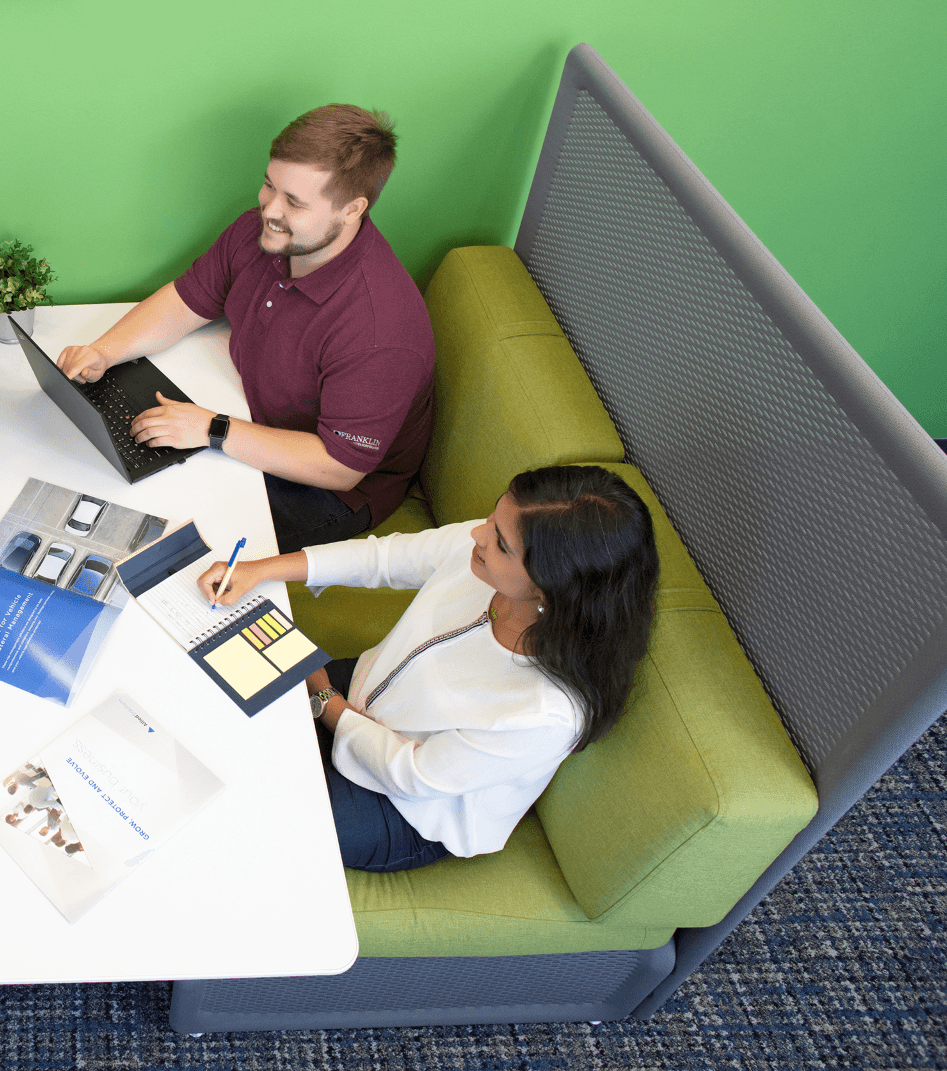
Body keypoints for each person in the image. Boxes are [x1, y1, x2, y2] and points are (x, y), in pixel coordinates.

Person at [198, 466, 659, 873]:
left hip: (401, 808)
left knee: (245, 807)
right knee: (212, 706)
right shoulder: (484, 555)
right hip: (354, 694)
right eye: (492, 517)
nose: (477, 534)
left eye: (500, 543)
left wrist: (324, 699)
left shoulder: (545, 712)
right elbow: (384, 559)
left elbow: (414, 776)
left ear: (550, 588)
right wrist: (261, 570)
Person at [56, 105, 435, 555]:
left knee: (149, 544)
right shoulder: (264, 234)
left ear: (352, 209)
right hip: (248, 418)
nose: (269, 209)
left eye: (295, 202)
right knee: (95, 458)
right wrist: (104, 351)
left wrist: (213, 429)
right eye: (269, 185)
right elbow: (186, 301)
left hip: (325, 491)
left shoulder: (380, 332)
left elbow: (339, 468)